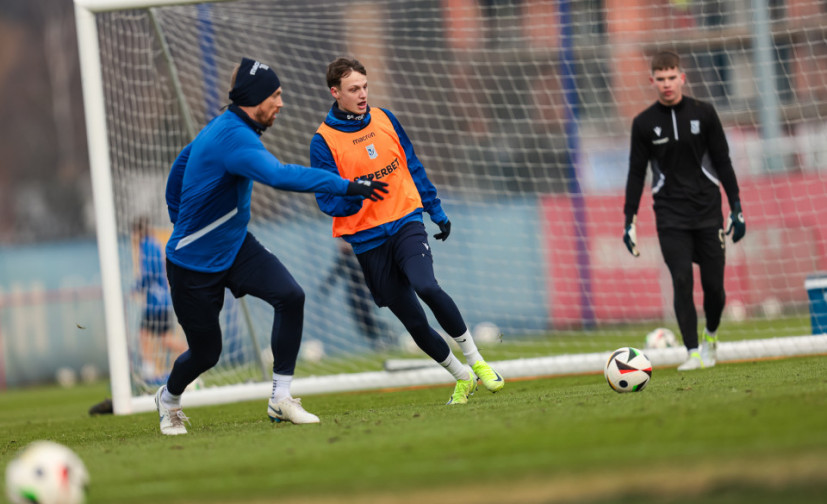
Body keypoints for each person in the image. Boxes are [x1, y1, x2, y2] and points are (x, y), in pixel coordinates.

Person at [155, 57, 388, 435]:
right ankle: (168, 400)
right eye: (275, 96)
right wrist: (346, 184)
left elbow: (180, 166)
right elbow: (278, 176)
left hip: (234, 246)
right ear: (255, 98)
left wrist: (178, 214)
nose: (280, 103)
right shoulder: (235, 138)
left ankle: (281, 398)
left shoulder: (227, 126)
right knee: (206, 353)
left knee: (290, 296)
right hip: (192, 263)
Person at [309, 57, 504, 405]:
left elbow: (412, 164)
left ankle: (478, 361)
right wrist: (356, 196)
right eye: (354, 89)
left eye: (365, 86)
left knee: (426, 285)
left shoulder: (385, 119)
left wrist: (436, 209)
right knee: (412, 321)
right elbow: (326, 199)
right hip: (368, 240)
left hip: (406, 221)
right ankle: (462, 378)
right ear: (334, 92)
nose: (362, 94)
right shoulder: (323, 141)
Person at [622, 50, 746, 371]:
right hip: (670, 216)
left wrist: (736, 207)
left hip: (707, 212)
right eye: (660, 79)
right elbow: (636, 174)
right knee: (680, 280)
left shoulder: (704, 114)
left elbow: (723, 162)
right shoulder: (644, 124)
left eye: (671, 77)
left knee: (715, 290)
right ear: (652, 81)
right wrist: (629, 220)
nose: (667, 84)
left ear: (682, 77)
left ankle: (711, 336)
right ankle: (692, 352)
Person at [132, 216, 187, 384]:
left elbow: (150, 272)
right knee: (155, 336)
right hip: (160, 300)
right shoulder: (154, 244)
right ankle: (150, 369)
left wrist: (136, 288)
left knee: (151, 336)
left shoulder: (146, 246)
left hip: (155, 302)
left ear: (139, 231)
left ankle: (190, 353)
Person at [318, 238, 391, 350]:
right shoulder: (344, 259)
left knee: (367, 317)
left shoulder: (361, 254)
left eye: (343, 242)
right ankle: (378, 341)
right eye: (339, 243)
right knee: (361, 323)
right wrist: (325, 287)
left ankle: (386, 332)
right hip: (352, 293)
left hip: (365, 291)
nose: (341, 245)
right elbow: (335, 273)